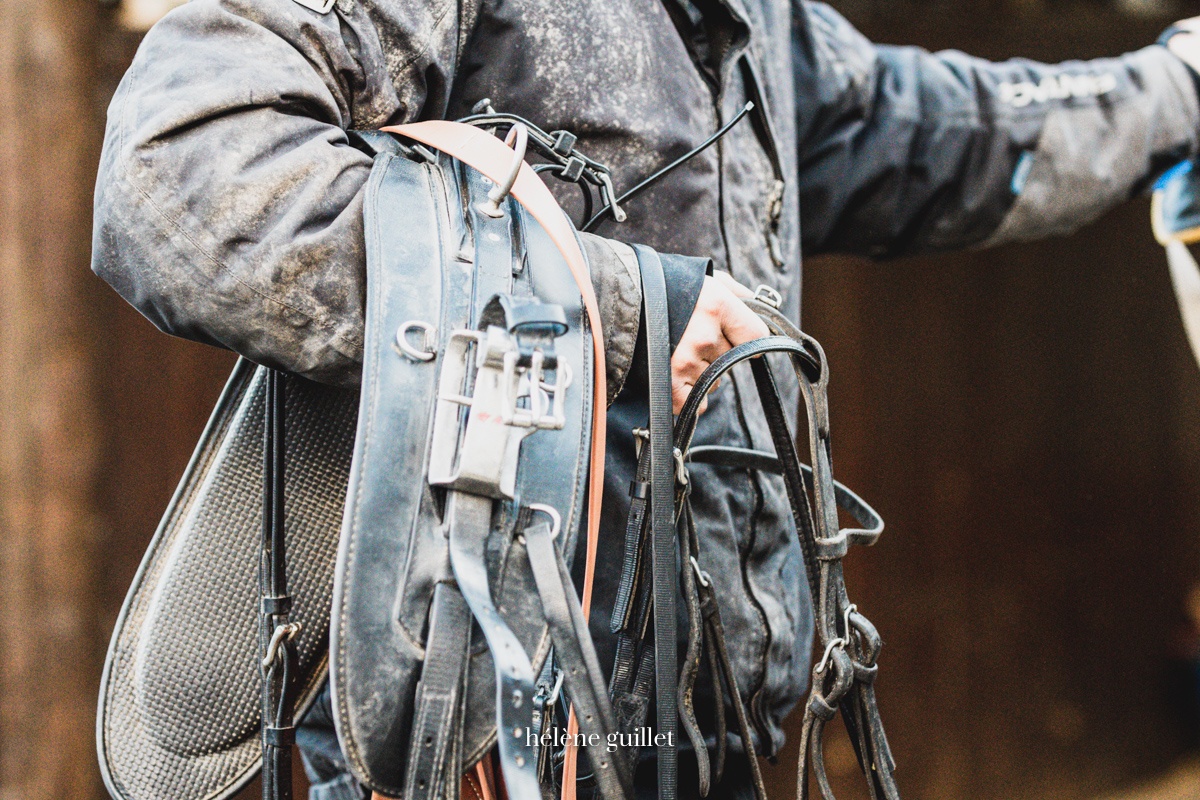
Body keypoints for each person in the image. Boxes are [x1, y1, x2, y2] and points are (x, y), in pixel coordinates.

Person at [90, 1, 1200, 797]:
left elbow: (949, 132)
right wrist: (610, 308)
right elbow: (184, 181)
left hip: (705, 717)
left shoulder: (755, 22)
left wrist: (1181, 86)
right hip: (473, 737)